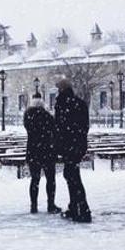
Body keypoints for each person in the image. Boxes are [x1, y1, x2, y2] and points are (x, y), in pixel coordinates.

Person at [54, 77, 92, 223]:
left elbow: (59, 127)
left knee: (72, 177)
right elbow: (84, 127)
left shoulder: (62, 103)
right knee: (72, 175)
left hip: (68, 146)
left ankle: (81, 209)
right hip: (78, 145)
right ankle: (77, 207)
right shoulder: (80, 103)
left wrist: (60, 144)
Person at [23, 93, 60, 214]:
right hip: (47, 151)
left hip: (33, 151)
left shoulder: (27, 116)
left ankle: (33, 206)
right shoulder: (47, 116)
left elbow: (29, 129)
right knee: (50, 179)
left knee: (35, 180)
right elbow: (55, 131)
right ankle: (51, 204)